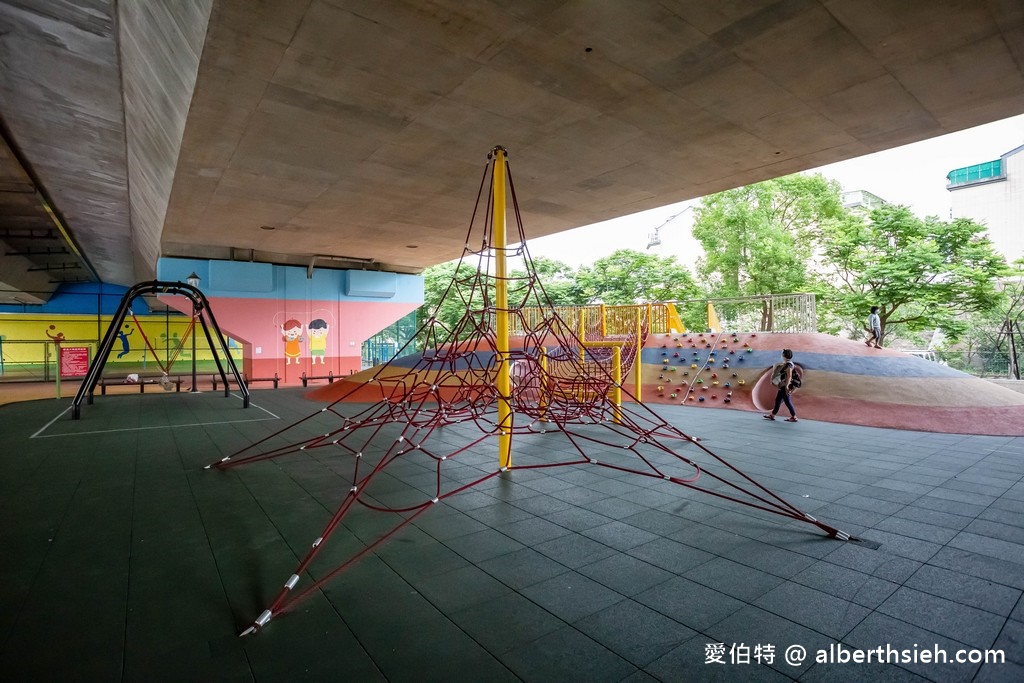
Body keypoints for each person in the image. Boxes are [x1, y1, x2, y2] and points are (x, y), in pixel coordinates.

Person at [763, 349, 798, 422]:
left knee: (787, 401)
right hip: (783, 384)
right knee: (778, 400)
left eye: (782, 353)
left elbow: (789, 376)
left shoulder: (789, 364)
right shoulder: (787, 363)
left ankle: (794, 416)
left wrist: (787, 386)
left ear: (784, 355)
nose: (781, 354)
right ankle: (772, 415)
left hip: (785, 385)